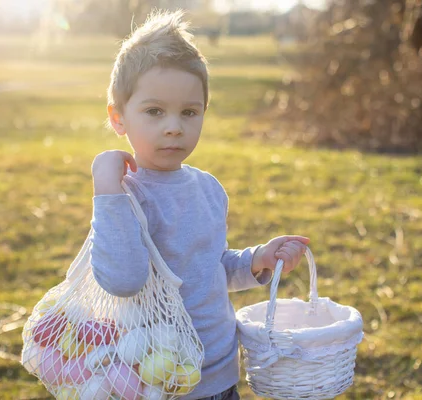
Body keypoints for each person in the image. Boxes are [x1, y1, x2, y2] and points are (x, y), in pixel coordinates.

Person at [89, 10, 309, 400]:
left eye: (188, 112)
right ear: (118, 118)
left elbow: (211, 270)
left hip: (220, 371)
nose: (174, 126)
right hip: (156, 378)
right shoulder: (125, 196)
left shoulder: (208, 188)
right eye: (154, 111)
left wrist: (257, 259)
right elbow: (123, 280)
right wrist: (107, 188)